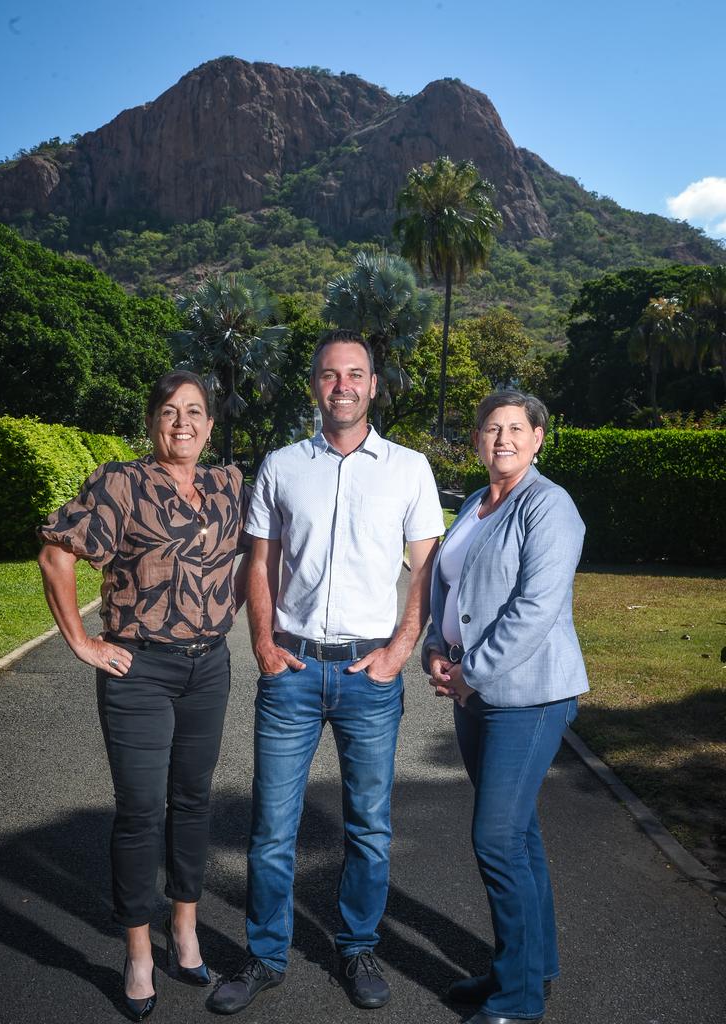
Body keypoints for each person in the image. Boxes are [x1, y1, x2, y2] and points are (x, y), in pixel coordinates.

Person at [209, 330, 444, 1015]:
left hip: (370, 676)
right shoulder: (283, 466)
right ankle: (264, 955)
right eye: (330, 374)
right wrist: (262, 643)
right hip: (293, 669)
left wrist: (401, 649)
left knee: (369, 825)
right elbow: (259, 562)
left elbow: (427, 567)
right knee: (271, 826)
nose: (342, 385)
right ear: (316, 385)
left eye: (355, 374)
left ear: (373, 386)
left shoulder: (409, 468)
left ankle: (357, 944)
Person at [38, 370, 249, 1022]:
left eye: (194, 412)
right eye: (169, 411)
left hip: (208, 668)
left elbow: (258, 555)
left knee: (192, 801)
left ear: (210, 426)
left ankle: (183, 928)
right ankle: (136, 950)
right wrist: (81, 642)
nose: (182, 423)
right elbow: (56, 553)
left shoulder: (227, 484)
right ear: (152, 421)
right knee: (139, 811)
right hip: (140, 672)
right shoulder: (120, 483)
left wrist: (231, 606)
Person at [423, 390, 588, 1024]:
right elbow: (450, 586)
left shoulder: (549, 506)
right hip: (475, 694)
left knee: (495, 840)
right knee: (519, 836)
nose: (502, 439)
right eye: (491, 428)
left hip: (530, 696)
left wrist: (470, 672)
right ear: (476, 439)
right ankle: (529, 967)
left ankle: (517, 1002)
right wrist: (438, 649)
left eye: (515, 429)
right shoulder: (474, 503)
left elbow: (534, 610)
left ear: (538, 437)